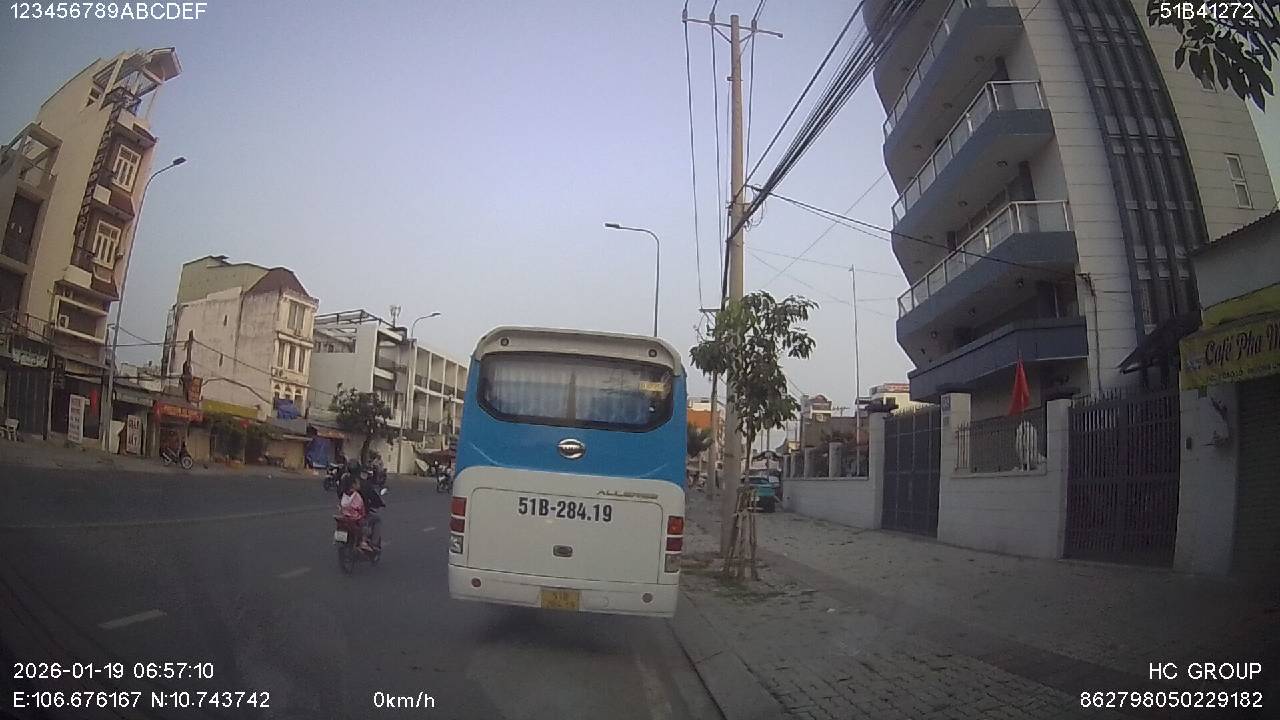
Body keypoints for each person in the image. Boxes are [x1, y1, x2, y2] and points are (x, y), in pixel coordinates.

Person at [338, 475, 374, 552]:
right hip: (355, 519)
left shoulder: (344, 494)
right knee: (366, 524)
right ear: (353, 484)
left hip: (345, 517)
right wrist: (363, 514)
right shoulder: (356, 496)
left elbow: (341, 506)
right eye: (357, 483)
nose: (359, 485)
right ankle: (363, 542)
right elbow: (361, 508)